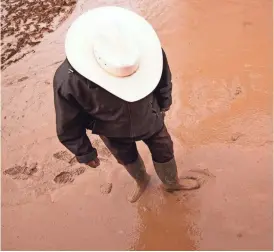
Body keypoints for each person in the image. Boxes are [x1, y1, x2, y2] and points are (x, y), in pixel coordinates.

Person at [53, 6, 199, 203]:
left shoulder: (150, 51)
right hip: (111, 130)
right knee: (126, 157)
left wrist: (164, 102)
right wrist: (84, 152)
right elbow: (68, 123)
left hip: (150, 117)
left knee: (164, 149)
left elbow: (163, 80)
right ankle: (142, 181)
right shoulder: (68, 81)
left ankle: (172, 183)